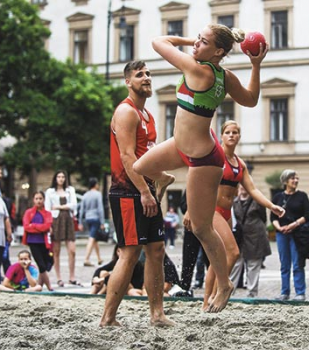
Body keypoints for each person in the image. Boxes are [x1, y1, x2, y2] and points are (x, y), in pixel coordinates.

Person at [133, 24, 268, 313]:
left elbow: (158, 41)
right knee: (139, 166)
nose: (195, 45)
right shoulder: (223, 75)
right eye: (196, 40)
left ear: (218, 51)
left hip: (203, 158)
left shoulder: (198, 69)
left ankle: (224, 283)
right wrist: (255, 65)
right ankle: (165, 177)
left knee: (201, 227)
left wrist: (184, 41)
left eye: (202, 42)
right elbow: (252, 99)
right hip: (179, 146)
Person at [100, 60, 173, 327]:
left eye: (148, 73)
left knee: (156, 249)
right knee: (129, 253)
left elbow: (146, 158)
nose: (146, 77)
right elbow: (127, 157)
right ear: (128, 82)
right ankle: (108, 319)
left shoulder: (148, 116)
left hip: (145, 191)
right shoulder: (126, 112)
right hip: (127, 192)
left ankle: (157, 315)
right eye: (139, 74)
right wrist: (144, 191)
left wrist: (159, 178)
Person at [198, 120, 284, 309]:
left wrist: (271, 206)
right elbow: (198, 182)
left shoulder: (240, 163)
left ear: (239, 136)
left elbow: (252, 190)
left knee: (216, 258)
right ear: (221, 136)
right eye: (227, 132)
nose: (231, 135)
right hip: (212, 211)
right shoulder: (215, 157)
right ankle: (219, 292)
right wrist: (190, 209)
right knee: (233, 252)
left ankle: (206, 303)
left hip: (227, 213)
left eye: (235, 132)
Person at [271, 169, 309, 301]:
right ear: (285, 181)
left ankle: (300, 292)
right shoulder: (278, 197)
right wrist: (279, 228)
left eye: (297, 178)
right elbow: (273, 216)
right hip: (282, 234)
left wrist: (293, 225)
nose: (295, 181)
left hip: (298, 233)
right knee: (284, 264)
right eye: (292, 178)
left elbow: (307, 215)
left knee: (298, 263)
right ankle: (285, 292)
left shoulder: (302, 196)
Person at [232, 185, 272, 298]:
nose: (244, 188)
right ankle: (229, 292)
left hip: (255, 236)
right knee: (235, 263)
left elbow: (263, 217)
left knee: (253, 265)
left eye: (246, 186)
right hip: (239, 237)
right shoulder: (234, 201)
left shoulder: (257, 201)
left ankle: (252, 293)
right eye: (242, 186)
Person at [45, 170, 79, 287]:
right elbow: (48, 208)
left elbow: (74, 205)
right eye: (59, 177)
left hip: (68, 220)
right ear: (55, 178)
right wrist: (49, 225)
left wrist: (59, 207)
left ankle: (72, 276)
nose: (61, 179)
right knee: (56, 251)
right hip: (56, 221)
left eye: (63, 177)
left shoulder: (70, 190)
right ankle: (59, 277)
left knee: (72, 250)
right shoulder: (50, 192)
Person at [22, 191, 54, 291]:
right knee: (41, 264)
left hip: (44, 242)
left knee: (46, 263)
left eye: (40, 198)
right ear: (33, 200)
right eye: (36, 199)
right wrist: (40, 227)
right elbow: (27, 226)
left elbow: (47, 226)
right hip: (33, 241)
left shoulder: (47, 213)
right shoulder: (29, 212)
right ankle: (49, 287)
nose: (39, 201)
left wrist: (34, 226)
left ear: (43, 200)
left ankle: (39, 285)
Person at [79, 177, 105, 266]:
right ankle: (86, 258)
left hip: (87, 218)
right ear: (95, 184)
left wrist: (80, 222)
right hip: (95, 218)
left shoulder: (85, 195)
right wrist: (102, 222)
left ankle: (99, 258)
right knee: (91, 238)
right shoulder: (97, 194)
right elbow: (100, 209)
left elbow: (81, 209)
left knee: (95, 239)